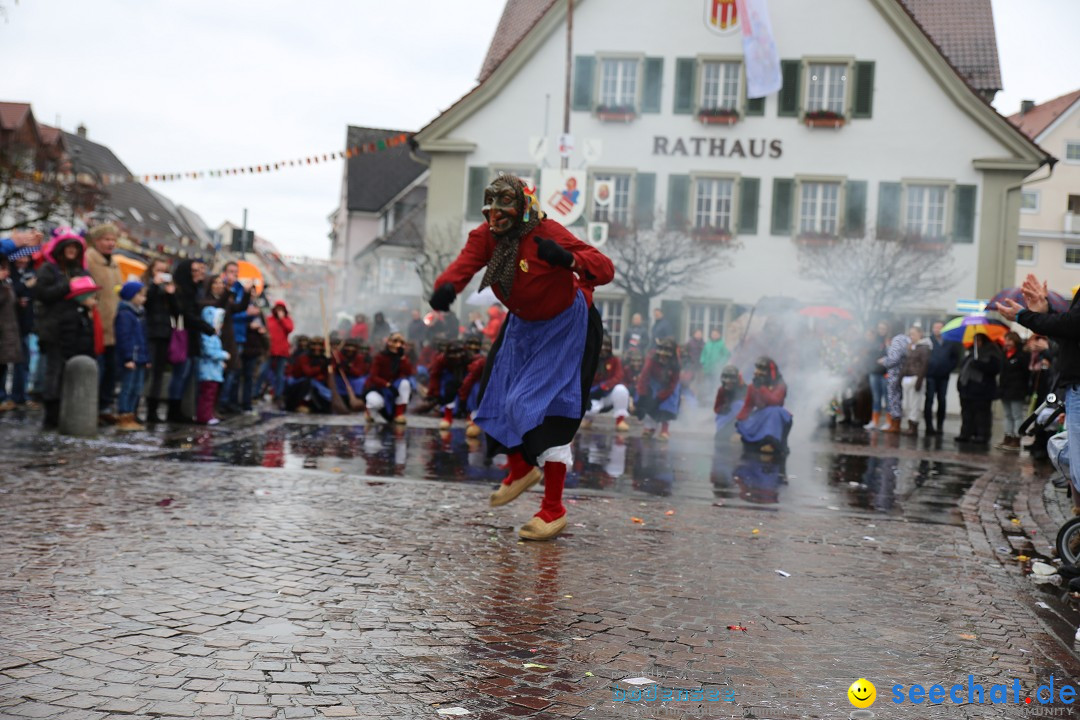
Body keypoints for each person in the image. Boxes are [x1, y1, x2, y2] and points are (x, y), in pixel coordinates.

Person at [429, 172, 613, 541]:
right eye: (491, 204)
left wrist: (567, 259)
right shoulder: (485, 238)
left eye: (504, 204)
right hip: (522, 325)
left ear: (524, 206)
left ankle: (553, 510)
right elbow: (464, 266)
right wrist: (445, 287)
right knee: (494, 395)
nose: (495, 213)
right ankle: (520, 469)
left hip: (565, 325)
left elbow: (604, 268)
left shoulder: (547, 232)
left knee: (536, 406)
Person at [33, 228, 92, 428]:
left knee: (72, 371)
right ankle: (51, 417)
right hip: (54, 329)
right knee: (54, 372)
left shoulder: (80, 270)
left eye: (76, 247)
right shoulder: (48, 269)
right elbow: (43, 293)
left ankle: (70, 412)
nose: (72, 250)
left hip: (75, 329)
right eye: (69, 246)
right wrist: (69, 285)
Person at [84, 223, 123, 424]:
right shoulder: (89, 259)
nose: (110, 243)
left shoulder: (115, 264)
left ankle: (105, 406)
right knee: (96, 367)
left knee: (111, 368)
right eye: (107, 239)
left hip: (113, 325)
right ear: (97, 241)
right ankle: (91, 407)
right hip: (96, 323)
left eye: (113, 240)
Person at [168, 259, 215, 423]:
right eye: (195, 270)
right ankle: (173, 411)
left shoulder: (197, 290)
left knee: (187, 376)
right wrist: (206, 327)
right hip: (185, 337)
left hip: (193, 338)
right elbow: (187, 315)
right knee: (180, 375)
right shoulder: (183, 291)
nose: (200, 273)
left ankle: (181, 410)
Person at [735, 357, 793, 455]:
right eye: (758, 370)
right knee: (749, 421)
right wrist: (737, 425)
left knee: (774, 411)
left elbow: (775, 401)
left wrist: (762, 388)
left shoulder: (780, 385)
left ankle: (771, 442)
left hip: (776, 418)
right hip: (761, 415)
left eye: (762, 371)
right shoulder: (753, 386)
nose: (758, 373)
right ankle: (756, 440)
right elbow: (747, 406)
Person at [141, 260, 175, 423]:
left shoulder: (169, 289)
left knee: (159, 375)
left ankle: (152, 411)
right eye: (158, 270)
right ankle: (135, 408)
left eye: (164, 270)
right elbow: (146, 304)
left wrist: (171, 295)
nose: (161, 274)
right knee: (147, 372)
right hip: (150, 332)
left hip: (165, 333)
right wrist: (154, 286)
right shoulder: (147, 286)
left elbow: (176, 310)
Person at [113, 281, 150, 431]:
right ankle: (124, 415)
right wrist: (128, 357)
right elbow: (124, 338)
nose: (143, 298)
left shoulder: (139, 314)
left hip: (140, 358)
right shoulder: (125, 314)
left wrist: (146, 358)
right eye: (140, 295)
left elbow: (143, 338)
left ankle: (131, 415)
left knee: (137, 388)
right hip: (131, 358)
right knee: (127, 387)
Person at [954, 330, 1000, 445]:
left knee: (981, 414)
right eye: (975, 340)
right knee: (967, 413)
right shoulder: (971, 353)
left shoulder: (991, 353)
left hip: (982, 390)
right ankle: (966, 433)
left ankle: (982, 435)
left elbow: (994, 369)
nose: (976, 343)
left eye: (979, 340)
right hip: (968, 389)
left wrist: (979, 364)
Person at [634, 337, 682, 440]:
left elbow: (672, 385)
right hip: (653, 382)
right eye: (661, 350)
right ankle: (649, 428)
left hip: (668, 386)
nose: (663, 354)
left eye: (667, 351)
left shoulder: (675, 365)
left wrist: (659, 398)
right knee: (648, 402)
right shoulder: (651, 359)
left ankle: (665, 429)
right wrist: (643, 396)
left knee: (668, 402)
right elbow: (644, 377)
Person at [584, 334, 630, 432]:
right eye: (602, 345)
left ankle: (620, 421)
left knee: (621, 390)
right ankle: (587, 420)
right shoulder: (590, 359)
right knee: (589, 409)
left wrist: (605, 386)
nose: (604, 348)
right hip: (593, 396)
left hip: (608, 394)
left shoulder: (615, 360)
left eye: (607, 345)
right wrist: (587, 394)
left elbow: (618, 376)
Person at [364, 332, 413, 424]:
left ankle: (399, 414)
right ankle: (370, 412)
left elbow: (408, 372)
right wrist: (387, 384)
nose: (397, 345)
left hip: (394, 388)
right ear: (389, 343)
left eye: (401, 342)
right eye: (395, 341)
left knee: (405, 383)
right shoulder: (380, 357)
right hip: (378, 388)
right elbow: (373, 376)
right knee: (376, 402)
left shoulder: (402, 358)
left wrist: (402, 358)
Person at [996, 331, 1030, 452]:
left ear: (1015, 341)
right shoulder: (1004, 354)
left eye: (1010, 340)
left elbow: (1026, 373)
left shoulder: (1022, 355)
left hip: (1017, 389)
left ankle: (1016, 438)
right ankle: (1007, 436)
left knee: (1017, 415)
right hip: (1005, 389)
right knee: (1007, 414)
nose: (1007, 343)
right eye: (1006, 340)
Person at [924, 321, 960, 436]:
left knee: (942, 400)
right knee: (929, 400)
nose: (937, 330)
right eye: (935, 327)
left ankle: (940, 426)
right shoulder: (928, 341)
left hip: (943, 376)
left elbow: (955, 358)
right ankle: (929, 426)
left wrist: (948, 368)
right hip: (930, 375)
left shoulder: (950, 342)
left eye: (940, 327)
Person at [426, 339, 470, 429]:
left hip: (465, 380)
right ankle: (448, 412)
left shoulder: (470, 359)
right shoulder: (441, 359)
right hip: (448, 380)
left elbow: (471, 379)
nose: (457, 356)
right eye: (454, 353)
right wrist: (435, 393)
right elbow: (434, 375)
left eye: (459, 353)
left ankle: (468, 413)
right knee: (448, 390)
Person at [196, 306, 229, 425]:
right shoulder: (208, 335)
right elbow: (210, 352)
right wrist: (224, 355)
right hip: (208, 372)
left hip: (213, 372)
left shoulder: (214, 336)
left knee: (211, 395)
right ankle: (204, 416)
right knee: (207, 395)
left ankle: (208, 414)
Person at [0, 255, 25, 411]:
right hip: (3, 333)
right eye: (3, 269)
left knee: (3, 367)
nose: (6, 272)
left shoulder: (6, 283)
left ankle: (2, 397)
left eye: (7, 269)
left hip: (8, 332)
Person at [899, 325, 931, 436]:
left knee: (914, 404)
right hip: (907, 378)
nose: (911, 336)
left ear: (920, 334)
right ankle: (909, 425)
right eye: (910, 334)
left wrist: (919, 380)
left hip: (915, 377)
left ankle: (913, 426)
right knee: (907, 404)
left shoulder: (924, 348)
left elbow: (924, 365)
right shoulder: (911, 347)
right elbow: (905, 364)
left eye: (913, 334)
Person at [881, 324, 910, 433]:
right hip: (902, 373)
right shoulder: (906, 339)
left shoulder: (897, 340)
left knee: (893, 398)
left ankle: (895, 425)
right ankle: (895, 424)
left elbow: (893, 359)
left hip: (895, 373)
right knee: (897, 398)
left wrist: (884, 361)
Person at [265, 300, 294, 403]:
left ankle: (278, 394)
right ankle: (257, 393)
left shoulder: (287, 320)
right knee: (263, 372)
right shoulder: (269, 319)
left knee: (280, 374)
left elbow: (290, 329)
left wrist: (282, 319)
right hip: (270, 350)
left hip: (282, 351)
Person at [863, 321, 890, 430]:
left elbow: (896, 356)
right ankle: (874, 421)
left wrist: (886, 359)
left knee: (888, 398)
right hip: (874, 373)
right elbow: (869, 355)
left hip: (886, 374)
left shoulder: (890, 341)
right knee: (876, 398)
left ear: (887, 329)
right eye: (880, 328)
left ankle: (889, 422)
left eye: (883, 328)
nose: (881, 330)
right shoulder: (874, 341)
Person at [713, 365, 747, 436]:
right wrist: (723, 408)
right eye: (726, 381)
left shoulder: (744, 389)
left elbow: (748, 408)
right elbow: (716, 408)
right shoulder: (721, 390)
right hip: (725, 417)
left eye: (731, 382)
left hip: (739, 420)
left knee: (738, 404)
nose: (728, 383)